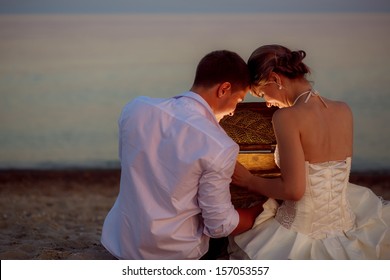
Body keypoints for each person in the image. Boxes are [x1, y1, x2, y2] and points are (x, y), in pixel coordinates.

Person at [229, 44, 390, 259]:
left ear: (276, 79)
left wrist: (249, 180)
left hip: (300, 237)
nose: (267, 104)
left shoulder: (286, 118)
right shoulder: (343, 110)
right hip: (349, 228)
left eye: (262, 94)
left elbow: (294, 190)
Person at [101, 50, 263, 260]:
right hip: (174, 254)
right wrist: (259, 213)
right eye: (238, 101)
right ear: (224, 89)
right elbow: (220, 225)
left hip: (122, 244)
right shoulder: (219, 145)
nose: (234, 111)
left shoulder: (135, 109)